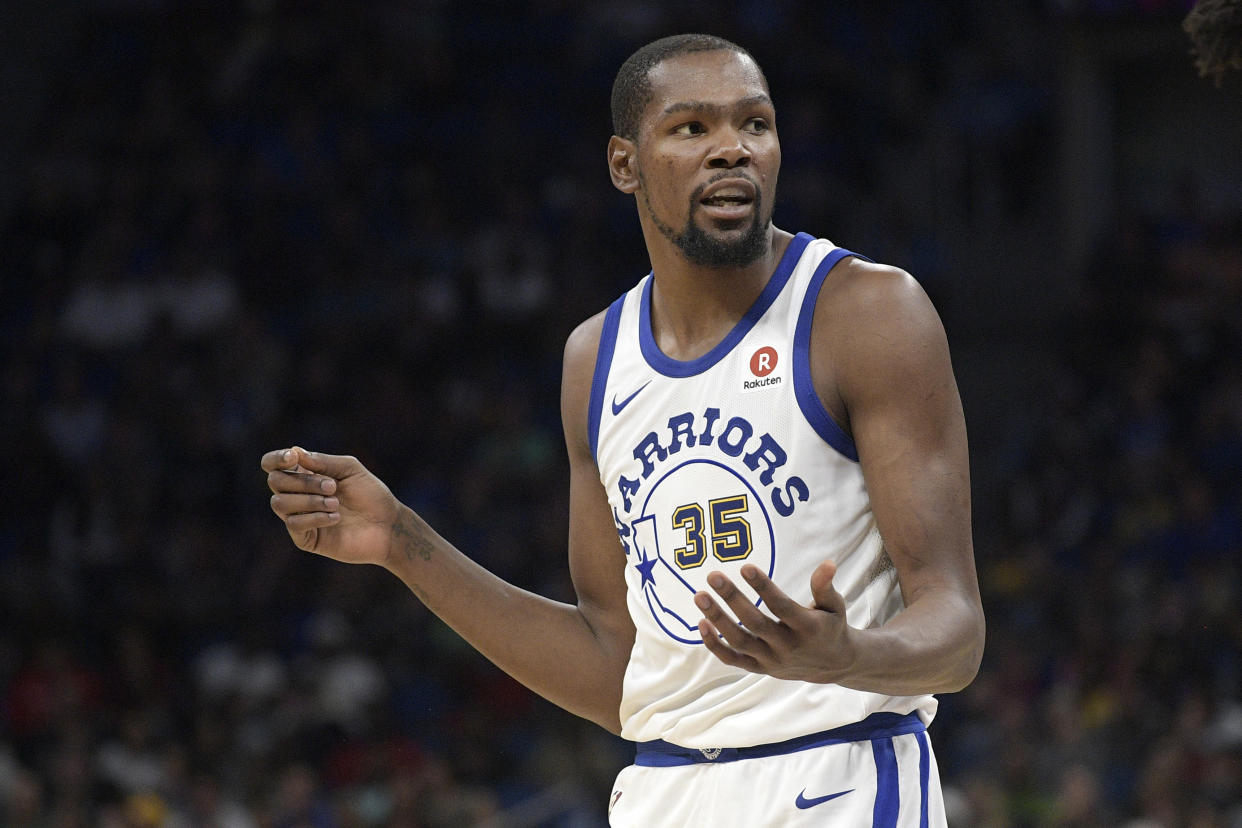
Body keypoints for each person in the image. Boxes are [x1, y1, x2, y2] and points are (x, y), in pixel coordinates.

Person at [262, 33, 985, 826]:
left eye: (755, 124)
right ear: (623, 164)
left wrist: (850, 655)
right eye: (691, 129)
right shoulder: (595, 359)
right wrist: (402, 543)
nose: (732, 151)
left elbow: (955, 631)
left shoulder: (868, 313)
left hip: (840, 774)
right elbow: (618, 669)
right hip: (662, 790)